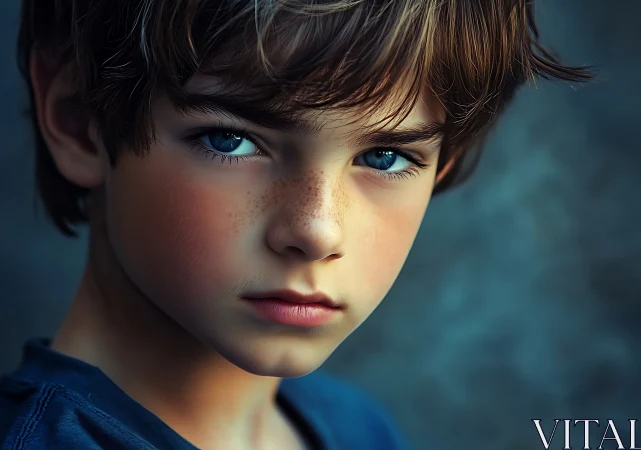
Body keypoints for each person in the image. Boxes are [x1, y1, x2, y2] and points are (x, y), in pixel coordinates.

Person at [1, 0, 591, 448]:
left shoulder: (358, 429)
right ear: (79, 120)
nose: (317, 231)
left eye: (384, 157)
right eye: (231, 141)